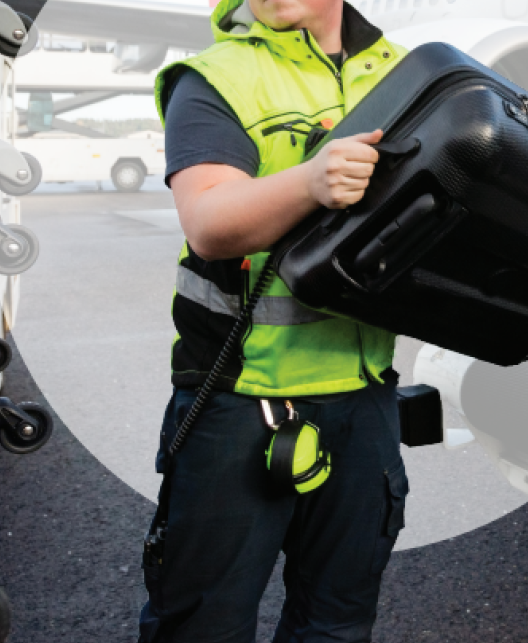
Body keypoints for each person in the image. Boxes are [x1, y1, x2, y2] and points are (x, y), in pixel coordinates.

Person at [138, 0, 409, 641]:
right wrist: (310, 181)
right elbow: (209, 224)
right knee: (202, 625)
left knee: (337, 624)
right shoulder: (215, 76)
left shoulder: (402, 73)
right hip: (241, 400)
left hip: (365, 399)